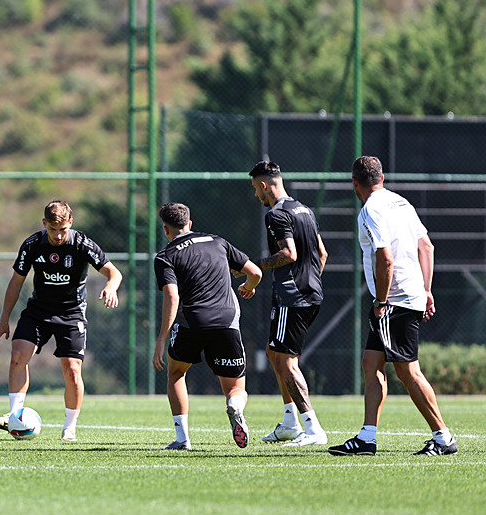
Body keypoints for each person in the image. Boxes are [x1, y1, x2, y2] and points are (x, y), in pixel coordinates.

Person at [329, 155, 457, 456]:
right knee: (371, 363)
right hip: (408, 294)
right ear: (382, 178)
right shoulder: (401, 202)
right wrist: (427, 290)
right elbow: (427, 246)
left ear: (355, 183)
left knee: (408, 371)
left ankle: (443, 437)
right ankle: (367, 437)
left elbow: (385, 259)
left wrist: (382, 301)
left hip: (394, 300)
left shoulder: (370, 210)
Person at [0, 200, 122, 442]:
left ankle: (69, 427)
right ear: (44, 224)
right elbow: (16, 282)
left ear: (70, 223)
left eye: (63, 230)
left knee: (72, 370)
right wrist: (3, 319)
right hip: (39, 310)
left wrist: (111, 287)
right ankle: (13, 414)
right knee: (18, 355)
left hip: (71, 313)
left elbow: (114, 272)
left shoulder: (82, 244)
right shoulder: (32, 245)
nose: (58, 235)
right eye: (53, 230)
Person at [153, 202, 262, 450]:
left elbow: (172, 297)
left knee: (176, 373)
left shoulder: (165, 256)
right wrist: (248, 287)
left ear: (166, 230)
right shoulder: (217, 241)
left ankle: (182, 440)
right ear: (189, 224)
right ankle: (235, 405)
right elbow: (255, 272)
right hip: (226, 321)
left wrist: (162, 338)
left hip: (191, 322)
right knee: (235, 387)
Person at [248, 161, 329, 446]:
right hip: (308, 293)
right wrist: (311, 283)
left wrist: (252, 266)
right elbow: (322, 253)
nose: (256, 196)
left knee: (286, 362)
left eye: (256, 189)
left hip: (292, 296)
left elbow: (289, 253)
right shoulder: (304, 210)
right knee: (274, 353)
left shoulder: (276, 214)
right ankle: (290, 422)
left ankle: (312, 427)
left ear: (263, 185)